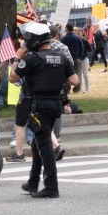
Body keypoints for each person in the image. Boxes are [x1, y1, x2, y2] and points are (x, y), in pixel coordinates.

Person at [10, 22, 78, 199]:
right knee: (37, 143)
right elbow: (75, 80)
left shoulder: (33, 58)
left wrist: (18, 57)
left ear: (33, 40)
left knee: (45, 147)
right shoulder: (61, 56)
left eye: (27, 39)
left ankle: (51, 187)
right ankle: (33, 182)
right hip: (56, 104)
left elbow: (13, 78)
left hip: (40, 105)